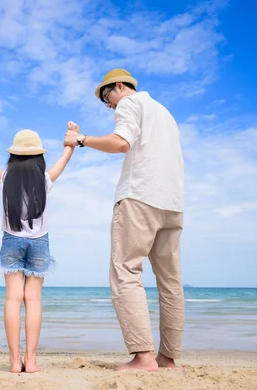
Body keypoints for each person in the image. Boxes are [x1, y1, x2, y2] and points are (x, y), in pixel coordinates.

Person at [64, 69, 185, 371]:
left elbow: (121, 143)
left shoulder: (130, 104)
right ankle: (167, 358)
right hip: (172, 202)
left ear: (119, 86)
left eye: (107, 96)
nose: (108, 105)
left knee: (126, 272)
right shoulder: (165, 113)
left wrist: (81, 139)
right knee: (170, 281)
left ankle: (143, 356)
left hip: (140, 196)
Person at [0, 125, 74, 373]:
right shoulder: (45, 179)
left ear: (13, 157)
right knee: (34, 300)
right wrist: (72, 138)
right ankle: (32, 361)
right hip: (40, 242)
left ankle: (15, 361)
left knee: (12, 299)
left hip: (11, 241)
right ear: (39, 157)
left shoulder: (5, 178)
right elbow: (65, 157)